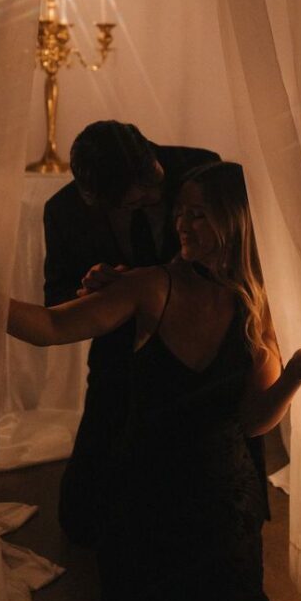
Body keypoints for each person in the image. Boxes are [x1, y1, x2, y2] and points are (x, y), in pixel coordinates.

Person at [9, 161, 301, 601]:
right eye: (180, 212)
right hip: (148, 495)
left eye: (198, 215)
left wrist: (295, 373)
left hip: (221, 506)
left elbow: (254, 421)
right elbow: (47, 326)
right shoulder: (152, 286)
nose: (182, 225)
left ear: (235, 221)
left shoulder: (257, 302)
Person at [43, 120, 220, 544]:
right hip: (119, 345)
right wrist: (88, 288)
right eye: (131, 199)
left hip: (199, 338)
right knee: (82, 514)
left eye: (152, 185)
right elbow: (56, 299)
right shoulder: (63, 209)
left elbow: (240, 257)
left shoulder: (202, 172)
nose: (150, 198)